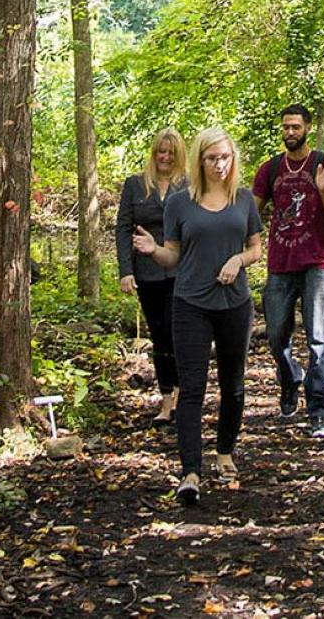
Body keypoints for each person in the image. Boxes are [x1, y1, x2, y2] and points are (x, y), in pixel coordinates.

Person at [133, 127, 263, 505]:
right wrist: (153, 250)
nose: (219, 165)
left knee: (233, 386)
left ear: (232, 159)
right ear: (199, 160)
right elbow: (172, 255)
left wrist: (238, 260)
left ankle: (224, 452)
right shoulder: (180, 202)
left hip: (235, 304)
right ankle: (190, 470)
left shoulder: (242, 200)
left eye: (225, 157)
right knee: (191, 388)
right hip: (190, 302)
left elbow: (255, 248)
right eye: (212, 158)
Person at [252, 104, 324, 438]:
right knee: (276, 335)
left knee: (318, 338)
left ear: (308, 127)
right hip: (280, 264)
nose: (290, 132)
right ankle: (290, 376)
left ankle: (319, 409)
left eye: (295, 127)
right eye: (285, 128)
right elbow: (251, 213)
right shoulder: (271, 168)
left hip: (317, 263)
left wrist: (322, 189)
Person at [115, 128, 187, 426]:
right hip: (148, 272)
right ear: (153, 153)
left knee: (178, 333)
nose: (165, 157)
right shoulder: (135, 185)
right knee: (158, 335)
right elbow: (123, 228)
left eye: (171, 152)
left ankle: (185, 397)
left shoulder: (189, 185)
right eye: (161, 151)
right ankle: (166, 399)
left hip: (182, 271)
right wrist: (126, 270)